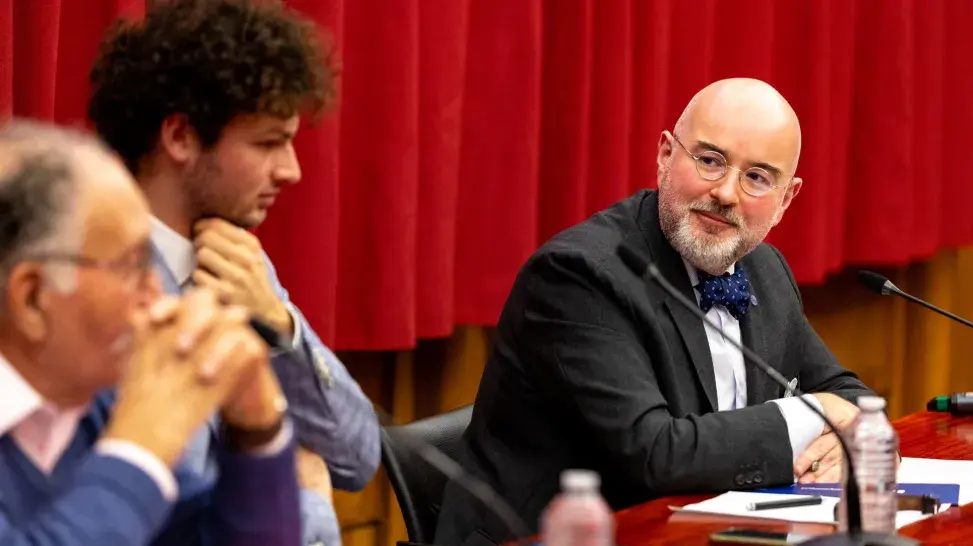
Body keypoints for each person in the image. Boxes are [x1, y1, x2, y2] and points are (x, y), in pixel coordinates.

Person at [434, 78, 875, 544]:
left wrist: (845, 440)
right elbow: (654, 454)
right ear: (666, 155)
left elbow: (849, 396)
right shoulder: (579, 275)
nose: (726, 192)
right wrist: (818, 414)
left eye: (757, 177)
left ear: (786, 199)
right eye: (710, 161)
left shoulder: (763, 268)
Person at [86, 1, 380, 544]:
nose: (291, 171)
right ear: (180, 138)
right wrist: (309, 505)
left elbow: (357, 455)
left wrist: (277, 323)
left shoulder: (236, 258)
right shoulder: (96, 290)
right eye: (268, 143)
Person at [0, 119, 302, 545]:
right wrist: (139, 448)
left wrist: (256, 431)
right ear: (32, 297)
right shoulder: (121, 421)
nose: (155, 292)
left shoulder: (90, 404)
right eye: (131, 266)